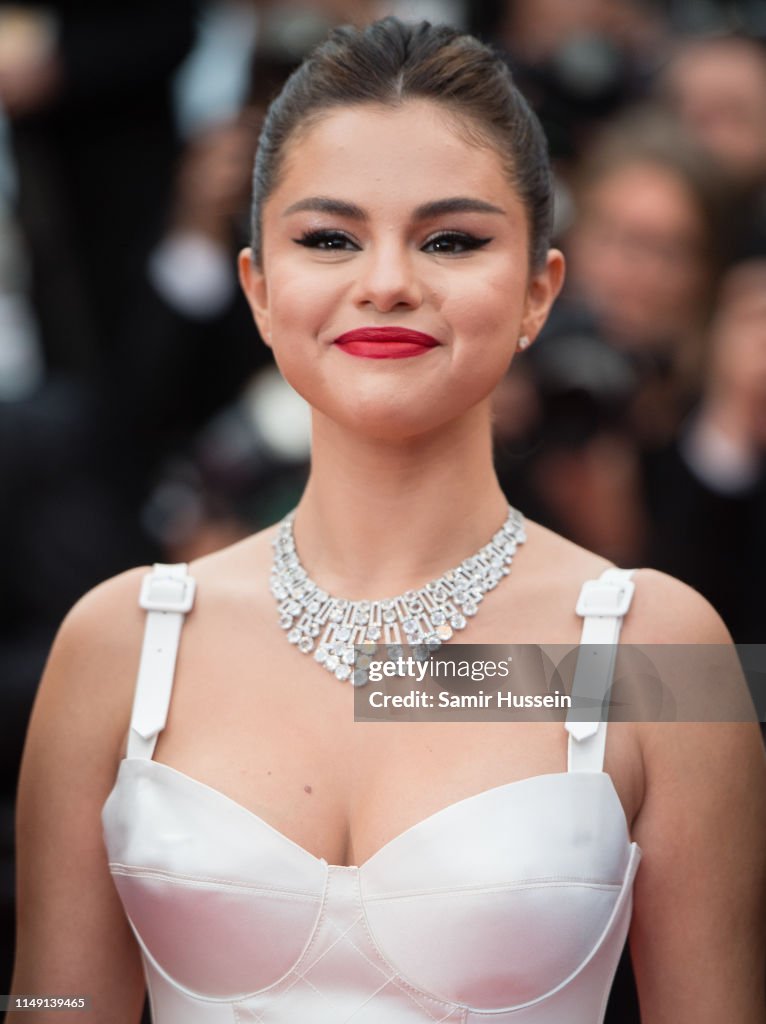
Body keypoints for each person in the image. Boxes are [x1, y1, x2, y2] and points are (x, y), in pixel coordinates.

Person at [8, 18, 766, 1023]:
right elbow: (53, 1005)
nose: (386, 281)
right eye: (328, 237)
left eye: (451, 239)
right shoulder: (118, 643)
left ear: (540, 289)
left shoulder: (657, 649)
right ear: (260, 288)